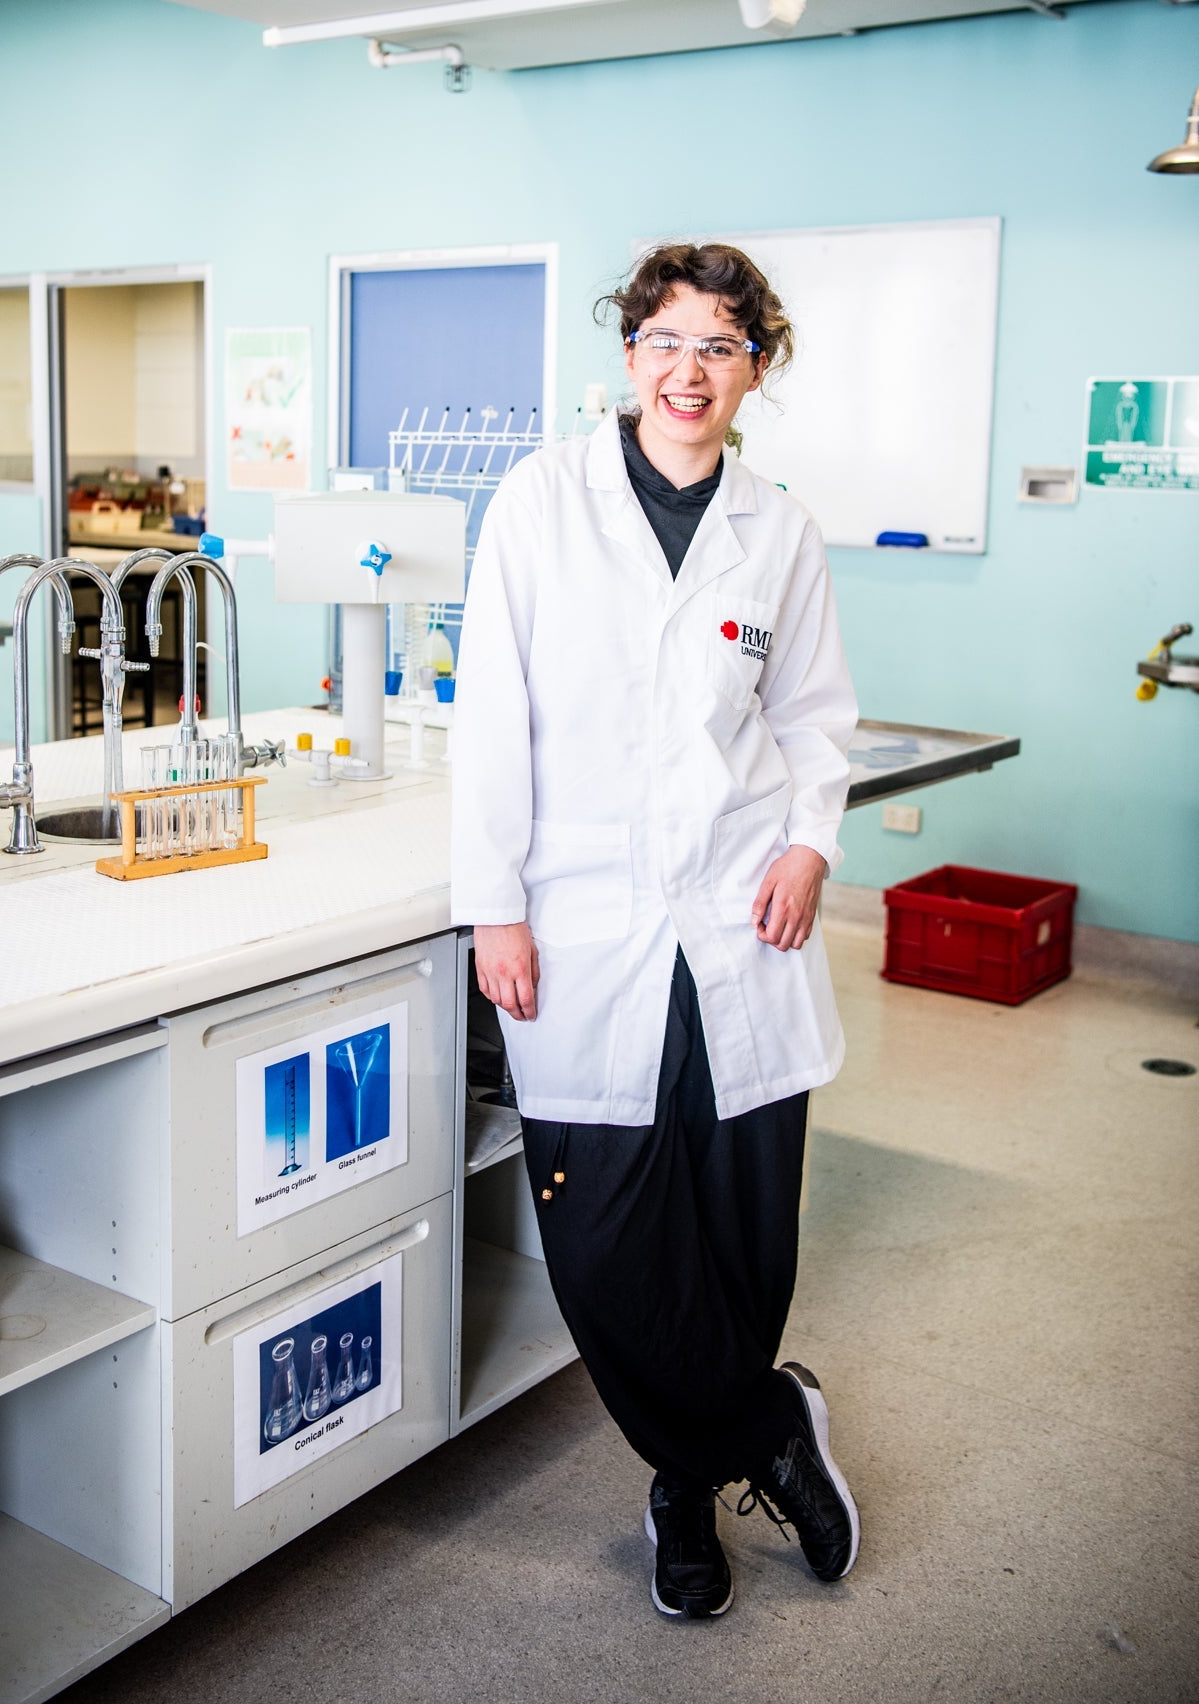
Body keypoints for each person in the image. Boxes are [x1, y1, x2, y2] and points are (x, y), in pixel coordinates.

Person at [450, 242, 860, 1622]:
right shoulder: (540, 503)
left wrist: (809, 843)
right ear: (629, 354)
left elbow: (813, 717)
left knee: (742, 1230)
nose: (691, 371)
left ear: (757, 369)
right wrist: (494, 906)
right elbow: (491, 716)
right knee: (607, 1244)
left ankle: (682, 1486)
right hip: (581, 922)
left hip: (742, 916)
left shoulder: (781, 532)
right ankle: (766, 1431)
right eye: (668, 341)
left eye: (723, 347)